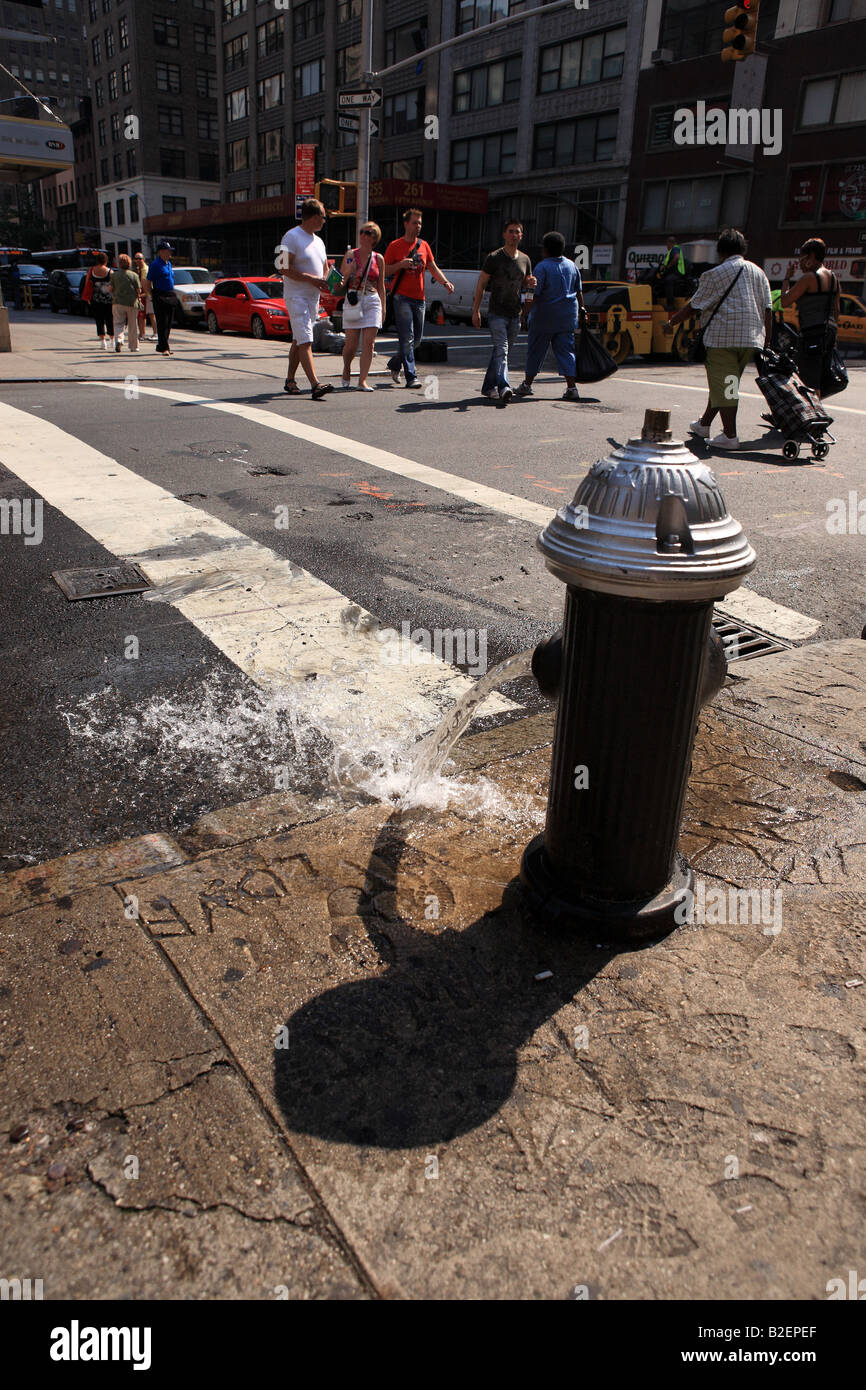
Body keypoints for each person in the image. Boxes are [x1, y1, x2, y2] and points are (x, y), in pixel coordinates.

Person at [669, 227, 772, 451]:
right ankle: (703, 424)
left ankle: (730, 435)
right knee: (725, 383)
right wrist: (768, 342)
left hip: (723, 337)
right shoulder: (758, 272)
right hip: (752, 338)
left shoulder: (714, 274)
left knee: (727, 387)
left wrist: (671, 323)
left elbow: (694, 306)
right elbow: (768, 309)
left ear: (721, 250)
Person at [383, 208, 454, 388]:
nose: (418, 226)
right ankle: (411, 376)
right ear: (406, 224)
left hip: (420, 299)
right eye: (415, 223)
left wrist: (445, 283)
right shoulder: (395, 246)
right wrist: (400, 264)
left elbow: (432, 267)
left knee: (416, 340)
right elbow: (384, 270)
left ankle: (394, 364)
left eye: (420, 223)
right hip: (401, 298)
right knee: (407, 337)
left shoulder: (424, 245)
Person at [514, 231, 585, 402]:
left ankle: (527, 385)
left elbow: (533, 294)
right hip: (567, 317)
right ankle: (571, 388)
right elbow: (579, 292)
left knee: (536, 351)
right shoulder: (572, 266)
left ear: (545, 249)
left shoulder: (542, 267)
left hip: (544, 317)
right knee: (566, 352)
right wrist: (582, 310)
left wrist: (525, 314)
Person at [472, 219, 535, 405]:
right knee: (503, 350)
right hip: (496, 312)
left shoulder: (525, 259)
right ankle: (504, 387)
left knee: (500, 353)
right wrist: (475, 311)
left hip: (514, 313)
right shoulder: (494, 258)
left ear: (521, 236)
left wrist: (530, 286)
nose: (514, 235)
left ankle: (487, 387)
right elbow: (481, 284)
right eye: (511, 231)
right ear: (504, 234)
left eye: (517, 232)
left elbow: (527, 284)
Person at [279, 197, 334, 400]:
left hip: (313, 298)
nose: (324, 221)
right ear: (312, 216)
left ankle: (290, 380)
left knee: (299, 338)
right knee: (306, 340)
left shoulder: (318, 241)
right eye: (323, 216)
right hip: (297, 296)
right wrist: (311, 279)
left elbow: (325, 270)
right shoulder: (291, 236)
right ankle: (315, 383)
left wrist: (333, 281)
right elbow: (282, 267)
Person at [780, 237, 840, 399]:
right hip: (829, 331)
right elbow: (836, 309)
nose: (800, 263)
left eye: (802, 259)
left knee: (809, 380)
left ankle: (814, 416)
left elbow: (785, 301)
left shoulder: (809, 278)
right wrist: (835, 337)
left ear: (811, 256)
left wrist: (787, 278)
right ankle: (808, 413)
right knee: (816, 376)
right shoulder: (834, 278)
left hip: (812, 333)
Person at [338, 222, 385, 391]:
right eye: (362, 232)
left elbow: (381, 286)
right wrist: (349, 270)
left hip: (372, 299)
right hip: (354, 299)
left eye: (369, 233)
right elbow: (342, 280)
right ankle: (346, 368)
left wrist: (384, 308)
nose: (364, 235)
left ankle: (362, 380)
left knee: (369, 343)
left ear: (375, 238)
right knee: (351, 344)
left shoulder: (378, 259)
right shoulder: (351, 254)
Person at [147, 240, 177, 356]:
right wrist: (151, 295)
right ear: (161, 252)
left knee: (169, 322)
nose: (170, 253)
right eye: (168, 251)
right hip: (160, 294)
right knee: (162, 321)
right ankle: (164, 347)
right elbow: (147, 281)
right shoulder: (155, 265)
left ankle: (163, 345)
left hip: (170, 294)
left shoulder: (168, 263)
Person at [110, 253, 141, 352]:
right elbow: (139, 290)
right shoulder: (134, 275)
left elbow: (110, 289)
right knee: (133, 325)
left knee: (118, 323)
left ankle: (119, 340)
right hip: (131, 303)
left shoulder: (114, 275)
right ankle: (134, 346)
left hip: (117, 302)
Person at [84, 252, 114, 349]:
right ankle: (112, 340)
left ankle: (102, 341)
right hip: (108, 299)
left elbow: (87, 283)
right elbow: (114, 285)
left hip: (95, 299)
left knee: (99, 320)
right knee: (110, 319)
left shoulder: (92, 270)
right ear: (106, 260)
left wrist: (88, 297)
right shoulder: (110, 271)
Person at [655, 235, 687, 309]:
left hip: (678, 273)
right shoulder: (671, 251)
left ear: (669, 243)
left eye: (667, 244)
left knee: (668, 280)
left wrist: (668, 267)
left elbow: (676, 257)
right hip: (674, 272)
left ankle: (671, 304)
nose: (667, 246)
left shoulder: (675, 249)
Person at [133, 251, 156, 341]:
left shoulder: (145, 269)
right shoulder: (139, 269)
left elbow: (145, 284)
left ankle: (155, 333)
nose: (138, 260)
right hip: (144, 295)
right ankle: (142, 334)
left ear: (143, 259)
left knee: (151, 314)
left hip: (149, 295)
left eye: (140, 258)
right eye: (136, 258)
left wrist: (143, 294)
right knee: (141, 316)